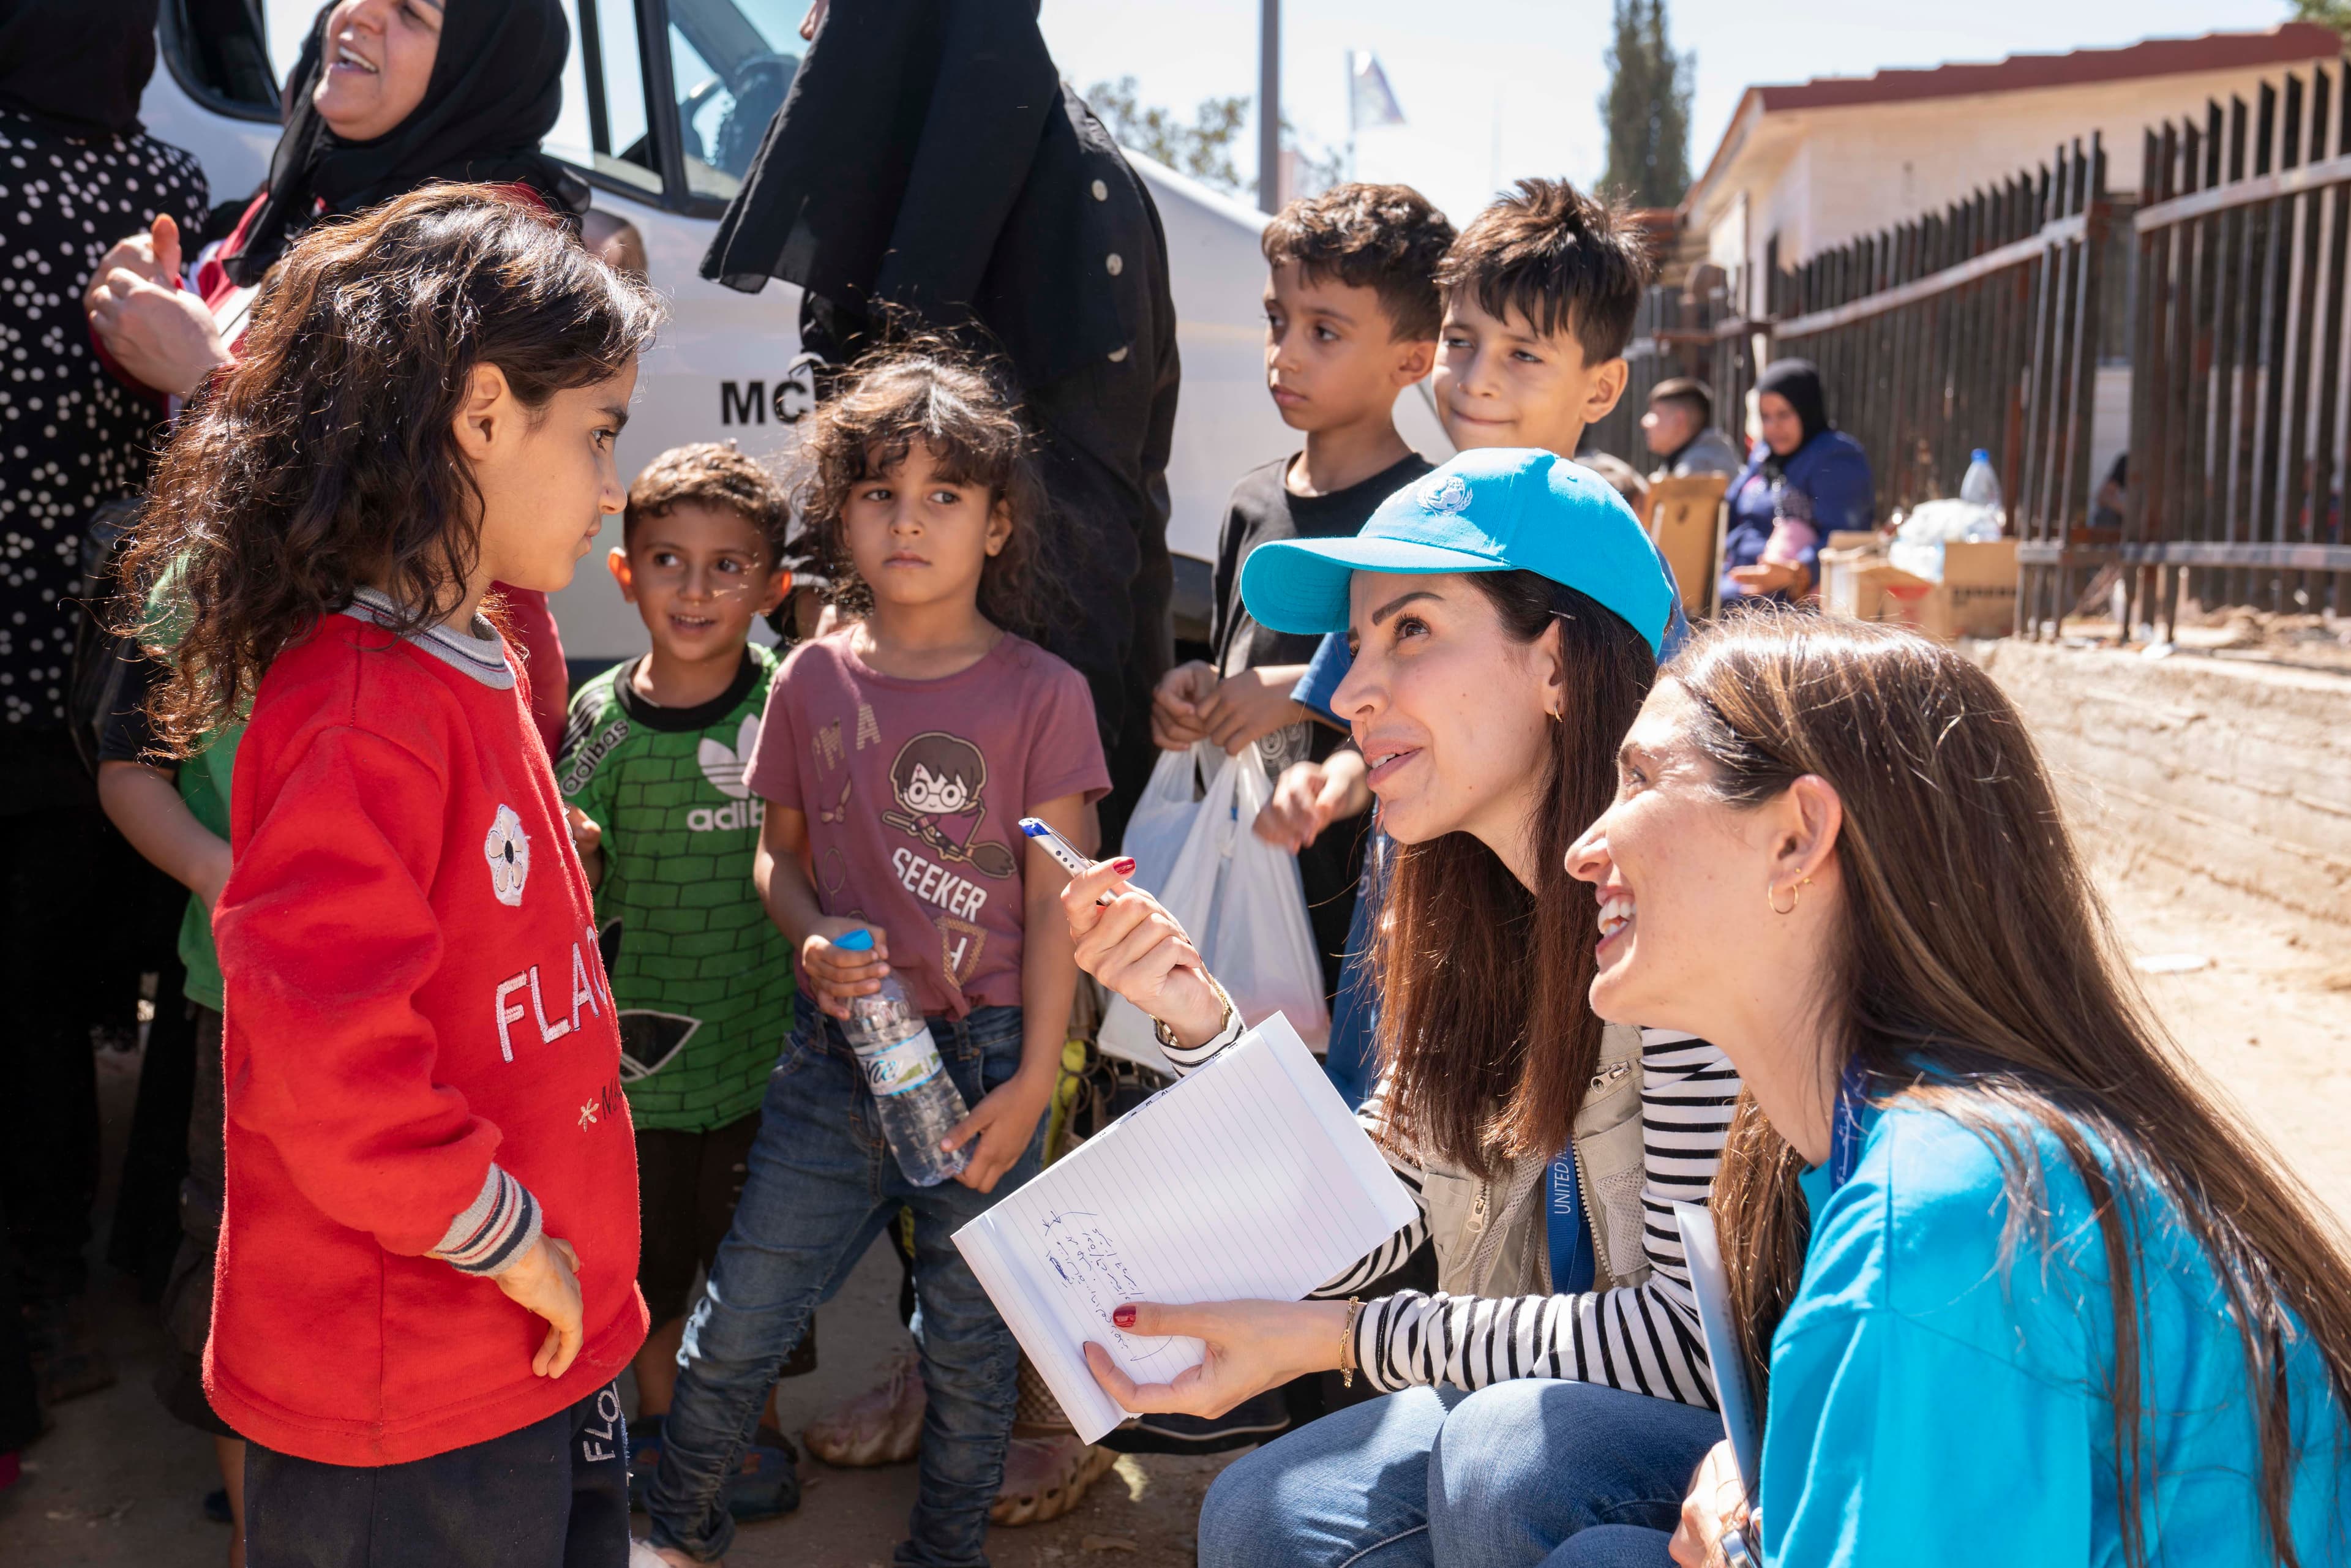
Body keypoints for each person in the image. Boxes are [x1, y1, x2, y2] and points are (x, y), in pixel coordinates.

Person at [1062, 446, 1742, 1568]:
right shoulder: (1468, 916)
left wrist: (1339, 1339)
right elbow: (1356, 1228)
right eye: (1357, 641)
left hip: (1748, 1462)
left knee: (1508, 1459)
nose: (1346, 691)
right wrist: (1198, 1023)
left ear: (1558, 664)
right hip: (1544, 1416)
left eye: (1411, 630)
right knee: (1259, 1513)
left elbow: (1691, 1347)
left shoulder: (1694, 922)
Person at [1562, 613, 2351, 1566]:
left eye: (1640, 779)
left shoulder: (1940, 1220)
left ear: (1796, 838)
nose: (1584, 849)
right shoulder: (1930, 1158)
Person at [118, 186, 661, 1564]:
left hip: (526, 1343)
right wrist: (514, 1243)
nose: (612, 485)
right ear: (482, 413)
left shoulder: (472, 653)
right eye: (598, 432)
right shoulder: (358, 710)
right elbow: (326, 1068)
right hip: (411, 1391)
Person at [640, 344, 1108, 1568]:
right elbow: (776, 857)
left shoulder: (1046, 693)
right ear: (840, 516)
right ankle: (675, 1534)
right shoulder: (806, 678)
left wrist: (1033, 1079)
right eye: (879, 492)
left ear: (996, 524)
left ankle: (942, 1553)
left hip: (988, 1062)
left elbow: (1059, 904)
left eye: (944, 494)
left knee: (970, 1343)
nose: (909, 520)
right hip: (832, 1061)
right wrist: (807, 935)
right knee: (738, 1323)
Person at [699, 0, 1178, 846]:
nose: (823, 32)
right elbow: (846, 428)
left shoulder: (1078, 202)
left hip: (1046, 751)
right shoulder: (882, 149)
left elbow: (1094, 547)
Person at [1269, 175, 1687, 1110]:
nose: (1479, 378)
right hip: (1417, 935)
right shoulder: (1402, 536)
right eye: (1461, 342)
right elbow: (1365, 710)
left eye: (1524, 353)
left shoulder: (1617, 568)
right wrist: (1344, 778)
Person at [83, 0, 587, 751]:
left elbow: (402, 482)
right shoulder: (303, 200)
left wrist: (205, 374)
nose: (357, 16)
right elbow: (201, 375)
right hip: (268, 671)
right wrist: (137, 314)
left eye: (412, 13)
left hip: (414, 702)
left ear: (479, 65)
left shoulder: (496, 250)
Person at [0, 0, 211, 1411]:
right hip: (120, 663)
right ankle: (94, 1263)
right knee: (66, 984)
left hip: (18, 668)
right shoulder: (168, 184)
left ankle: (37, 1289)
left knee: (19, 1000)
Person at [555, 443, 810, 1515]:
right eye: (668, 560)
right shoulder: (597, 719)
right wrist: (577, 852)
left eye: (727, 566)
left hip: (772, 1059)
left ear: (774, 586)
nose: (695, 590)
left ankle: (754, 1434)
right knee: (651, 1269)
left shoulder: (791, 703)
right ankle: (663, 1432)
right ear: (624, 574)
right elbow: (563, 868)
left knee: (761, 1268)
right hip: (638, 1076)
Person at [1152, 181, 1453, 1002]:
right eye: (1275, 320)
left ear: (1412, 359)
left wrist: (1294, 694)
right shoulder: (1250, 501)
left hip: (1363, 919)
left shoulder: (1426, 515)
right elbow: (1238, 657)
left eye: (1323, 331)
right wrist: (1199, 691)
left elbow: (1437, 704)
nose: (1284, 353)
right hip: (1238, 900)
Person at [1719, 358, 1872, 605]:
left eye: (1784, 414)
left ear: (1806, 410)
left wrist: (1797, 572)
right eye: (1766, 417)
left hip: (1789, 599)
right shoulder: (1764, 455)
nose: (1774, 427)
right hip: (1734, 578)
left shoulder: (1835, 456)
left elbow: (1845, 538)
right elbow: (1728, 510)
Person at [1639, 377, 1744, 482]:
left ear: (1679, 420)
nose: (1644, 422)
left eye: (1655, 413)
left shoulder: (1698, 467)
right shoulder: (1688, 456)